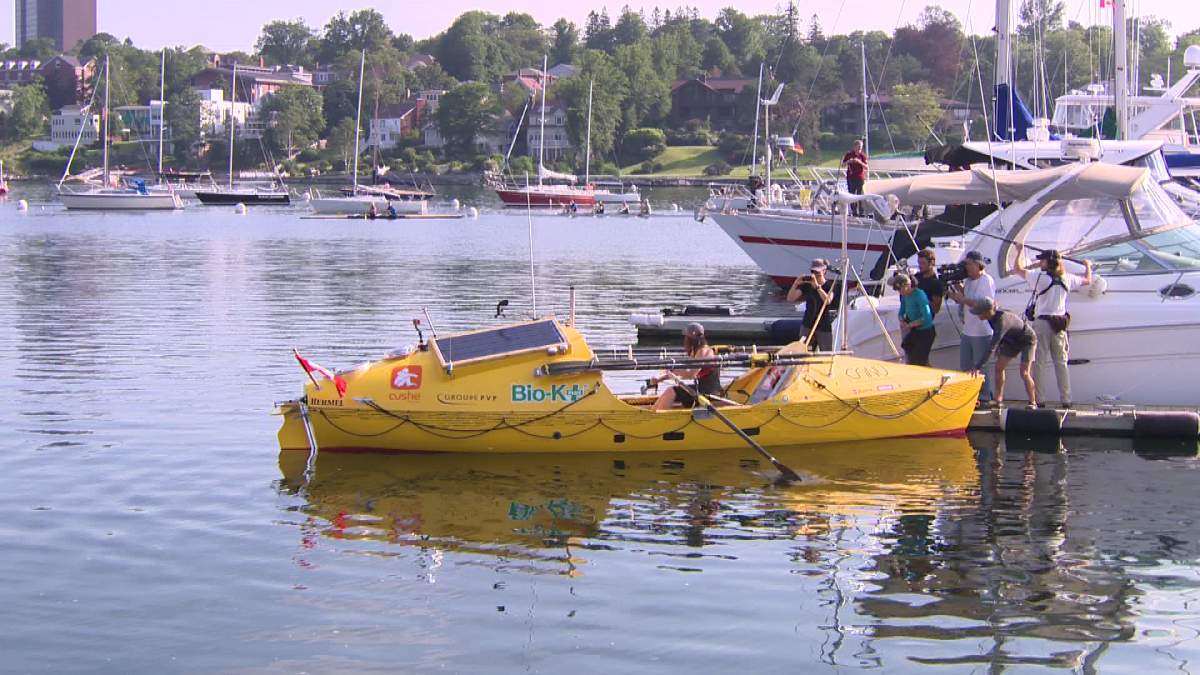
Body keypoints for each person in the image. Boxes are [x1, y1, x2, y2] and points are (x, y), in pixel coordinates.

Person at [1011, 244, 1093, 408]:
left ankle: (1040, 400)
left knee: (1039, 363)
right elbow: (1088, 280)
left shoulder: (1040, 278)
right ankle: (1066, 400)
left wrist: (1019, 251)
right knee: (1061, 363)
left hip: (1042, 324)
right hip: (1059, 325)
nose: (1039, 263)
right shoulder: (1067, 278)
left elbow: (1017, 268)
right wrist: (1088, 266)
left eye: (1041, 261)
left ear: (1047, 262)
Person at [967, 298, 1038, 408]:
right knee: (999, 367)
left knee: (1024, 372)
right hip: (1011, 340)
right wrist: (1001, 346)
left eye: (979, 313)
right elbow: (1000, 338)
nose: (977, 316)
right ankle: (998, 400)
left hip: (1027, 339)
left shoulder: (1002, 320)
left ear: (987, 311)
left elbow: (992, 346)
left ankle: (1033, 402)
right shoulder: (990, 318)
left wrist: (977, 367)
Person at [945, 250, 996, 402]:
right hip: (968, 331)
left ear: (977, 264)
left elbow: (984, 304)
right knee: (966, 365)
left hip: (982, 332)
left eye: (968, 264)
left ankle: (986, 397)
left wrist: (963, 299)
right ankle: (970, 396)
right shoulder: (968, 281)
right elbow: (967, 297)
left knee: (982, 367)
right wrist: (957, 292)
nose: (966, 267)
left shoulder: (986, 280)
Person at [650, 323, 722, 410]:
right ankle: (652, 412)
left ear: (692, 338)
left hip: (709, 392)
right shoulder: (695, 351)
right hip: (700, 388)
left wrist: (675, 371)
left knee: (671, 391)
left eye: (687, 337)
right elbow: (685, 370)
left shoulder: (703, 351)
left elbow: (691, 374)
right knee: (670, 391)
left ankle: (657, 418)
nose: (685, 340)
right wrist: (660, 379)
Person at [786, 259, 837, 351]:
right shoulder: (807, 285)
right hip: (808, 324)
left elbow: (828, 300)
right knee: (804, 350)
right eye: (813, 271)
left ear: (824, 271)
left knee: (826, 351)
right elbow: (790, 298)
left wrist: (817, 287)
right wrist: (795, 284)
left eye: (818, 272)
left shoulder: (830, 285)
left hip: (823, 325)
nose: (815, 274)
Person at [891, 273, 935, 366]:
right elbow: (901, 312)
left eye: (901, 289)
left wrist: (910, 325)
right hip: (915, 331)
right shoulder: (904, 296)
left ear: (908, 285)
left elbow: (927, 317)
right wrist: (902, 320)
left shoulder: (919, 295)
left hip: (925, 332)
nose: (900, 292)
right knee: (910, 355)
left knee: (919, 360)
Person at [841, 139, 869, 216]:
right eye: (859, 147)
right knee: (851, 195)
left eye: (861, 147)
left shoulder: (863, 156)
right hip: (851, 177)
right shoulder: (849, 154)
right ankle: (854, 211)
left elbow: (866, 167)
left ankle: (861, 211)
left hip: (860, 177)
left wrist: (859, 162)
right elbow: (843, 165)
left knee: (860, 195)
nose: (860, 149)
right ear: (855, 147)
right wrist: (849, 161)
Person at [914, 249, 945, 316]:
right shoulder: (916, 277)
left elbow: (936, 309)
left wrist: (921, 297)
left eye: (923, 263)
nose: (920, 266)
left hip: (925, 319)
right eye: (919, 263)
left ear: (931, 263)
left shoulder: (936, 283)